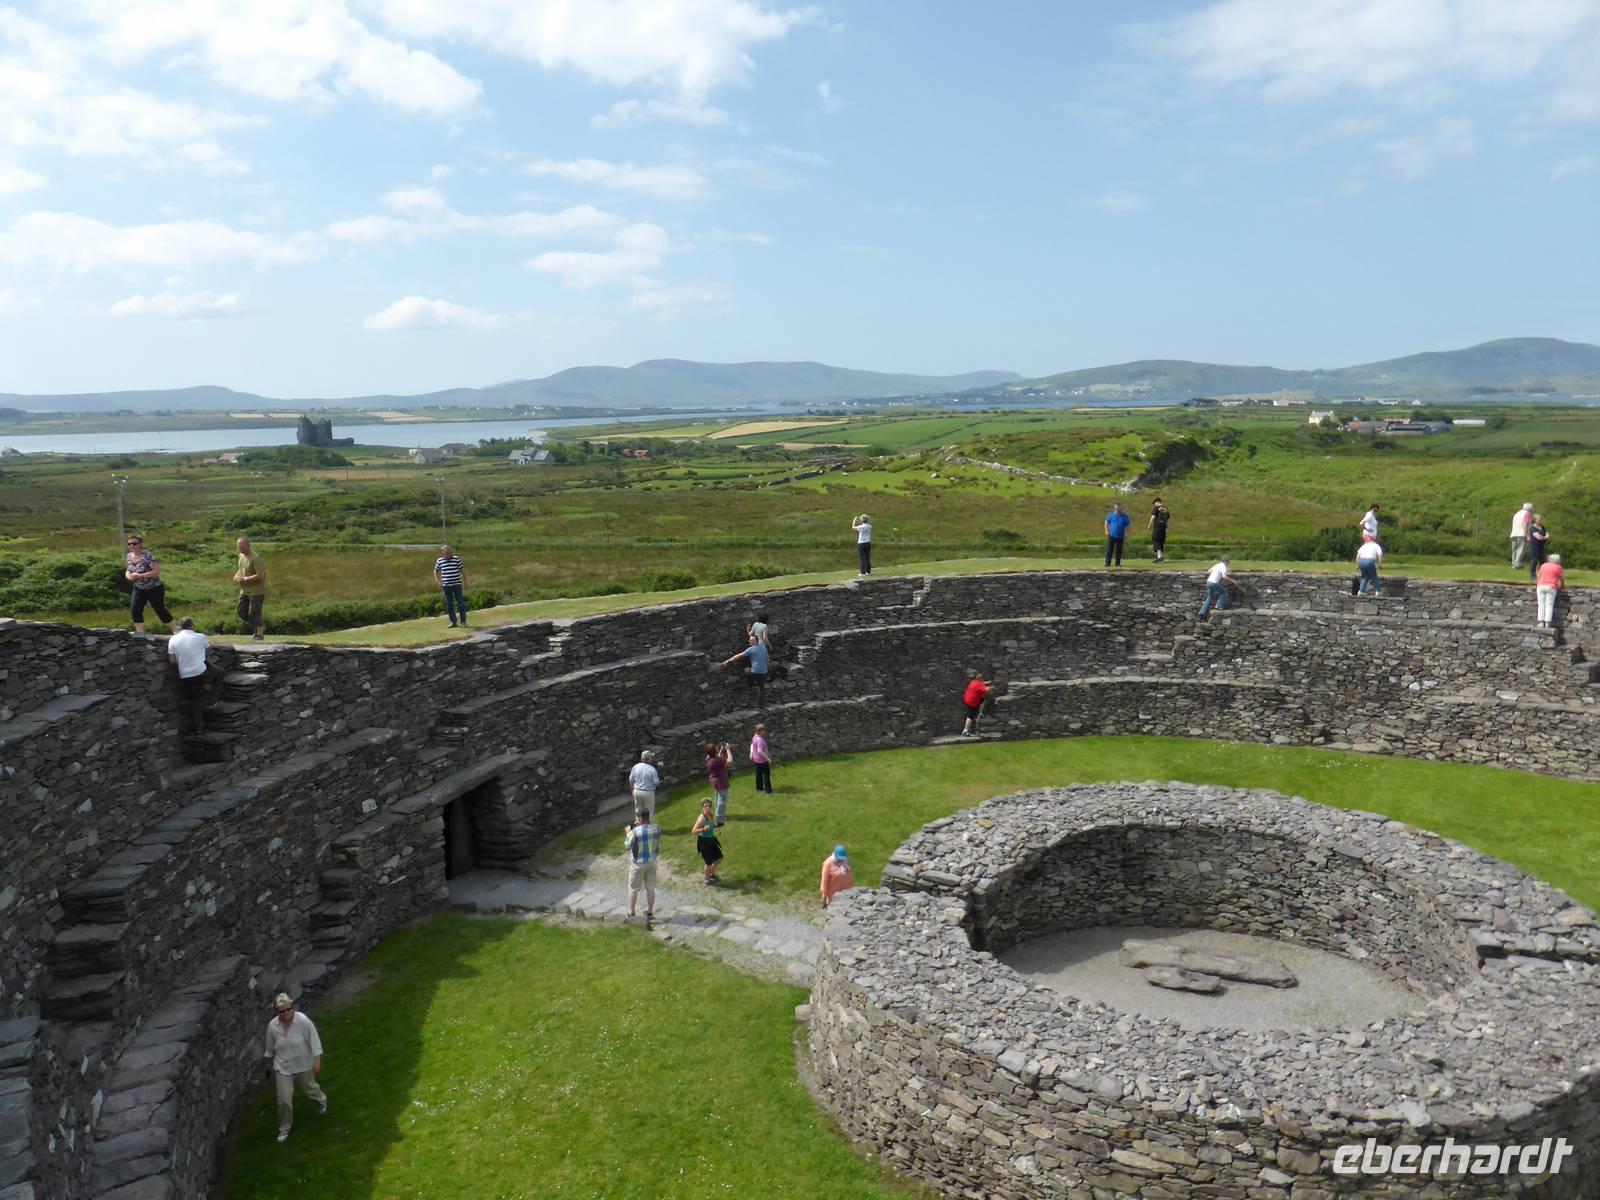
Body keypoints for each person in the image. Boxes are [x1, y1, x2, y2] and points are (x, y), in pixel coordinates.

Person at [264, 993, 326, 1144]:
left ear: (291, 1008)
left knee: (309, 1088)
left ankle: (321, 1100)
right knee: (284, 1099)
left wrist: (317, 1061)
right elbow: (269, 1049)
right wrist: (268, 1068)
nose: (285, 1013)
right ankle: (284, 1129)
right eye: (281, 1011)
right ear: (277, 1012)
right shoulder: (272, 1027)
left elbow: (315, 1041)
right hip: (283, 1066)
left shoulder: (303, 1021)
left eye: (288, 1009)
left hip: (303, 1063)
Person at [167, 617, 218, 733]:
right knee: (220, 673)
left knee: (195, 699)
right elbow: (209, 651)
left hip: (184, 674)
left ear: (180, 627)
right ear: (191, 625)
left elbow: (172, 661)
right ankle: (212, 701)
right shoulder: (200, 636)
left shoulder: (173, 639)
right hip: (200, 671)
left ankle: (199, 727)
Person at [124, 534, 173, 633]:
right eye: (129, 544)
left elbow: (156, 571)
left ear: (140, 544)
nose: (132, 546)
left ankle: (175, 629)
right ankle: (140, 633)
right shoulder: (129, 556)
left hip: (154, 587)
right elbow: (128, 570)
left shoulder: (147, 556)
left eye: (134, 543)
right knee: (135, 609)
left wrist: (141, 575)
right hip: (139, 587)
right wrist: (129, 576)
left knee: (159, 609)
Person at [624, 810, 660, 927]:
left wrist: (628, 832)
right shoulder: (657, 828)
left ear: (640, 818)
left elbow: (627, 845)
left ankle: (631, 913)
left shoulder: (635, 832)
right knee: (650, 887)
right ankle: (650, 912)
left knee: (633, 887)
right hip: (652, 861)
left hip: (638, 863)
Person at [234, 537, 266, 641]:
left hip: (256, 591)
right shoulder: (241, 556)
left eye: (242, 546)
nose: (240, 548)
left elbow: (260, 575)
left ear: (248, 545)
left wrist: (245, 579)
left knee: (255, 613)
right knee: (241, 610)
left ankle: (259, 634)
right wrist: (237, 576)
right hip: (244, 590)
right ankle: (258, 627)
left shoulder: (256, 558)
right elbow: (241, 569)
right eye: (238, 546)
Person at [434, 544, 468, 628]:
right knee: (449, 605)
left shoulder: (456, 559)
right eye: (446, 552)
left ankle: (463, 621)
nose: (448, 553)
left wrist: (465, 581)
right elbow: (436, 571)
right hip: (446, 585)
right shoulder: (440, 560)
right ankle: (453, 622)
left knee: (461, 603)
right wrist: (438, 581)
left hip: (457, 584)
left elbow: (462, 570)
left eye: (449, 551)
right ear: (443, 553)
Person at [691, 798, 723, 886]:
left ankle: (711, 874)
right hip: (704, 843)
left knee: (719, 858)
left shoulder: (710, 815)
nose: (708, 808)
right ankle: (707, 880)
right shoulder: (701, 819)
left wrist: (716, 827)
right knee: (708, 862)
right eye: (705, 806)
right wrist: (703, 829)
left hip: (712, 840)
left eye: (709, 806)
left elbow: (711, 825)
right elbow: (693, 831)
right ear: (702, 807)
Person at [704, 741, 733, 826]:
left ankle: (719, 815)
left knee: (717, 798)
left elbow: (717, 757)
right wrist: (728, 750)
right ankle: (720, 819)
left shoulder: (709, 758)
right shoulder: (716, 760)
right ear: (714, 751)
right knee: (722, 800)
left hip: (714, 780)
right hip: (721, 781)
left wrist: (720, 750)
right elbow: (730, 762)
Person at [627, 750, 660, 820]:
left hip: (637, 791)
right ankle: (648, 829)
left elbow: (631, 779)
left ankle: (638, 827)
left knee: (638, 811)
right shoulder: (652, 769)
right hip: (648, 792)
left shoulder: (636, 766)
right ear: (649, 758)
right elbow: (656, 783)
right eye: (651, 757)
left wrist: (632, 791)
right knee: (649, 812)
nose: (652, 759)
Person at [1536, 554, 1564, 628]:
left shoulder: (1543, 565)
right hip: (1551, 587)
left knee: (1541, 604)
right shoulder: (1558, 567)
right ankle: (1547, 623)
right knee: (1549, 605)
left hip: (1541, 586)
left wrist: (1537, 583)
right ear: (1557, 561)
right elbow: (1561, 579)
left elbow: (1538, 575)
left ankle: (1541, 622)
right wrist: (1562, 586)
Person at [961, 672, 991, 737]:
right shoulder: (980, 685)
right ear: (981, 679)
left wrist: (986, 683)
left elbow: (980, 684)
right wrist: (992, 687)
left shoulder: (973, 681)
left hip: (967, 699)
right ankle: (965, 730)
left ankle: (980, 714)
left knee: (982, 700)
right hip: (972, 702)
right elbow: (986, 689)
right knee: (970, 716)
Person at [1104, 502, 1131, 567]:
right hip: (1112, 535)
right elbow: (1106, 522)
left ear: (1121, 508)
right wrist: (1106, 530)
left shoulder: (1125, 516)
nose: (1117, 508)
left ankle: (1117, 563)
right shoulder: (1111, 515)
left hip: (1120, 536)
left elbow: (1128, 525)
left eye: (1118, 507)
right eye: (1116, 507)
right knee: (1110, 550)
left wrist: (1127, 533)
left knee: (1119, 550)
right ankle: (1107, 563)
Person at [749, 723, 773, 794]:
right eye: (764, 730)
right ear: (760, 731)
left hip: (756, 760)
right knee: (766, 774)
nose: (765, 731)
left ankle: (759, 788)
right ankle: (768, 791)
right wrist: (767, 758)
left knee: (758, 773)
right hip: (762, 760)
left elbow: (752, 745)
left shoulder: (754, 737)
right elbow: (760, 751)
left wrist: (751, 753)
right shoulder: (759, 739)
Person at [1510, 502, 1534, 568]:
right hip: (1521, 533)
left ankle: (1513, 563)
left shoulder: (1517, 514)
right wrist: (1526, 534)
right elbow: (1526, 524)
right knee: (1520, 549)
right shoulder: (1527, 513)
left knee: (1514, 549)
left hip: (1514, 533)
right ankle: (1517, 564)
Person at [1527, 513, 1550, 580]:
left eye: (1541, 519)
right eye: (1539, 519)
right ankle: (1533, 574)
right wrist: (1545, 537)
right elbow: (1538, 537)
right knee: (1535, 560)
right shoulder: (1532, 528)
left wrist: (1544, 537)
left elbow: (1548, 534)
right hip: (1535, 546)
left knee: (1543, 560)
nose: (1541, 521)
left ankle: (1542, 574)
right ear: (1535, 520)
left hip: (1541, 546)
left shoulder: (1542, 527)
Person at [1147, 498, 1171, 563]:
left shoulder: (1156, 508)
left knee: (1156, 540)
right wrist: (1167, 528)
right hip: (1163, 528)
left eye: (1154, 503)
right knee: (1161, 541)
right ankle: (1159, 555)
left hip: (1157, 527)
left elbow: (1153, 517)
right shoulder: (1166, 509)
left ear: (1157, 502)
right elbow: (1168, 520)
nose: (1154, 505)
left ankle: (1159, 556)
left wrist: (1149, 525)